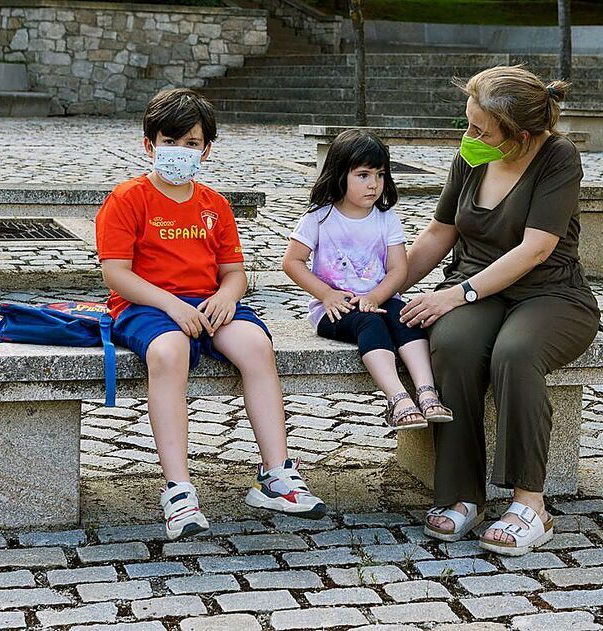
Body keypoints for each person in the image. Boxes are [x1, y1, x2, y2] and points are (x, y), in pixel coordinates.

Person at [95, 88, 326, 540]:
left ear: (206, 150)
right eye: (169, 142)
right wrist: (171, 305)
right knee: (169, 352)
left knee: (257, 346)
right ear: (149, 145)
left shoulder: (214, 205)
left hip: (210, 303)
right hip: (147, 306)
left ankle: (276, 474)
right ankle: (179, 491)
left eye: (191, 144)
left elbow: (234, 273)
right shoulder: (127, 199)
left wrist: (226, 295)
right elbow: (116, 274)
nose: (179, 152)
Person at [398, 66, 601, 555]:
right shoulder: (472, 155)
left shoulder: (558, 157)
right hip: (475, 289)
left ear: (522, 136)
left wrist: (456, 294)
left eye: (480, 130)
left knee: (515, 353)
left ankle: (530, 504)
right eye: (468, 124)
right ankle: (462, 497)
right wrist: (384, 289)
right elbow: (438, 232)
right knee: (454, 346)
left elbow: (535, 248)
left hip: (550, 295)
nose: (468, 137)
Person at [282, 129, 453, 431]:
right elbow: (292, 262)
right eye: (363, 175)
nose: (373, 184)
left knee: (407, 319)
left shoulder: (385, 217)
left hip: (379, 300)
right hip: (335, 310)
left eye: (380, 175)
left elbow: (398, 270)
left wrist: (375, 296)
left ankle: (427, 392)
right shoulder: (319, 216)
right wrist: (326, 294)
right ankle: (397, 398)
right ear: (339, 174)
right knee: (369, 322)